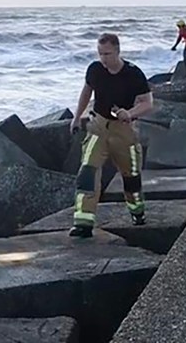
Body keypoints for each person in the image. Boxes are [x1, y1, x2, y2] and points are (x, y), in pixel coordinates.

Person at [68, 33, 153, 238]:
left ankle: (137, 212)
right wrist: (77, 116)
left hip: (123, 130)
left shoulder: (133, 74)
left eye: (107, 54)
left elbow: (148, 103)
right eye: (100, 54)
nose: (103, 58)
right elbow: (87, 91)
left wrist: (130, 113)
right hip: (98, 126)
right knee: (87, 172)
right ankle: (83, 223)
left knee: (131, 175)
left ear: (117, 51)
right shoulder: (95, 70)